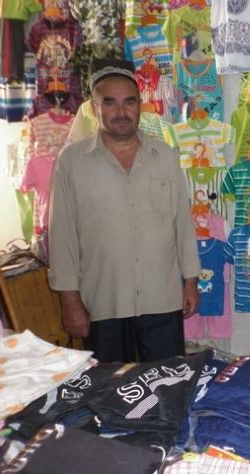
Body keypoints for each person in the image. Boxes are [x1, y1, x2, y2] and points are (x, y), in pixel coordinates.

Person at [48, 58, 200, 363]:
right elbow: (61, 236)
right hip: (103, 303)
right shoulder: (71, 162)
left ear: (139, 105)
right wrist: (70, 301)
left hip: (162, 299)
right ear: (94, 108)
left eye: (129, 102)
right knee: (111, 386)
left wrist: (191, 281)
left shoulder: (164, 155)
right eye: (110, 102)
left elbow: (182, 223)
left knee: (167, 382)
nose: (121, 112)